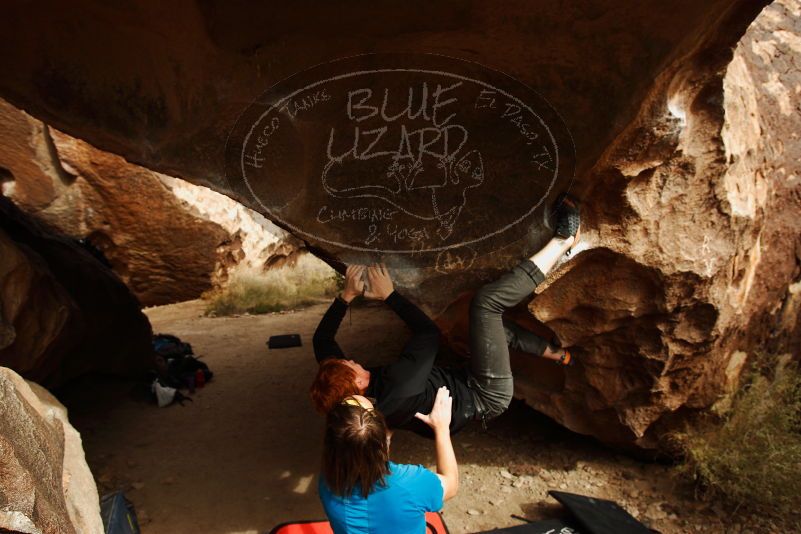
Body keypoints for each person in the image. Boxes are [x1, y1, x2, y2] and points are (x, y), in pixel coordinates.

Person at [310, 195, 581, 435]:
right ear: (358, 382)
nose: (353, 360)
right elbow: (428, 333)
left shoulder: (349, 396)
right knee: (486, 305)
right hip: (485, 394)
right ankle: (564, 240)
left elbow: (322, 340)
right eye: (351, 365)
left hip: (462, 379)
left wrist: (346, 296)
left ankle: (559, 355)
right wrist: (390, 295)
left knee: (483, 329)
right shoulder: (398, 387)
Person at [319, 387, 458, 533]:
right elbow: (451, 484)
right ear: (384, 441)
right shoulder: (411, 484)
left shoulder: (327, 483)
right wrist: (442, 428)